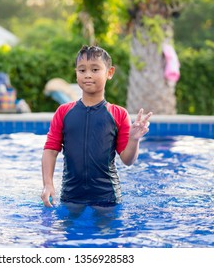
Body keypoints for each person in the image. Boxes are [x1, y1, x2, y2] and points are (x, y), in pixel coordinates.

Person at [41, 45, 152, 208]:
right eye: (82, 70)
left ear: (109, 72)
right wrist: (48, 184)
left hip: (107, 197)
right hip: (71, 196)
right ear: (76, 73)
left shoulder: (118, 114)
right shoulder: (64, 112)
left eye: (95, 69)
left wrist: (134, 139)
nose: (87, 75)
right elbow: (50, 151)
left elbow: (127, 160)